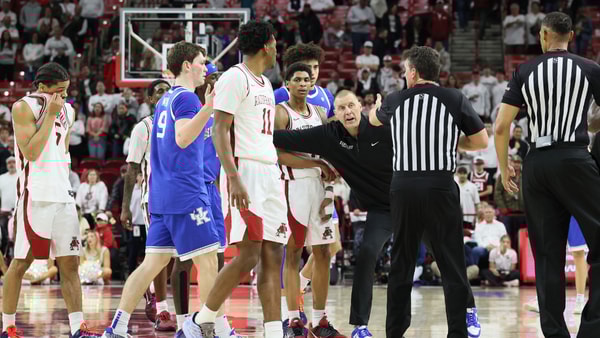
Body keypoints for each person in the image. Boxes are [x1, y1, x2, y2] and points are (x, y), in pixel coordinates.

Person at [101, 41, 220, 338]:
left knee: (151, 263)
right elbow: (182, 139)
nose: (205, 68)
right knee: (208, 261)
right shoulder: (188, 99)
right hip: (186, 194)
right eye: (201, 62)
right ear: (186, 66)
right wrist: (207, 108)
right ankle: (204, 329)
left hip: (161, 195)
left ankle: (117, 327)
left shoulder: (164, 100)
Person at [369, 46, 488, 338]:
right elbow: (482, 140)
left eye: (404, 71)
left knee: (403, 262)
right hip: (440, 186)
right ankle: (458, 331)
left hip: (404, 187)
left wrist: (375, 106)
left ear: (412, 72)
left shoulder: (395, 100)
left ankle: (395, 332)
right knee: (452, 263)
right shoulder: (455, 98)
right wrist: (453, 143)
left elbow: (372, 121)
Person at [495, 12, 600, 337]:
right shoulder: (590, 68)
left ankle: (555, 333)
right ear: (570, 36)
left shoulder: (525, 70)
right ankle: (592, 329)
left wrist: (503, 168)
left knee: (547, 256)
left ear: (543, 35)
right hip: (575, 159)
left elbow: (501, 126)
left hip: (537, 164)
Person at [192, 21, 287, 338]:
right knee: (248, 254)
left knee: (273, 254)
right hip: (244, 170)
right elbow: (220, 130)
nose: (277, 50)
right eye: (275, 43)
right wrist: (232, 177)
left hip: (270, 171)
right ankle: (204, 317)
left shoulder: (265, 84)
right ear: (267, 45)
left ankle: (274, 332)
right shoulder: (235, 77)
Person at [2, 62, 100, 338]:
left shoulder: (67, 109)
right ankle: (8, 327)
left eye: (67, 92)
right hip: (36, 195)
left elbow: (63, 152)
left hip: (62, 195)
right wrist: (50, 115)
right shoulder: (22, 107)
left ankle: (77, 328)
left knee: (70, 264)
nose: (64, 97)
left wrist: (58, 111)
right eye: (59, 91)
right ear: (42, 87)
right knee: (20, 263)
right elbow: (32, 152)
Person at [274, 63, 344, 337]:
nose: (303, 84)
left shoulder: (319, 113)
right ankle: (293, 320)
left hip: (321, 189)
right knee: (293, 252)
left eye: (307, 79)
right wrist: (316, 166)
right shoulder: (281, 113)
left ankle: (320, 321)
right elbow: (278, 155)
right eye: (298, 79)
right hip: (293, 187)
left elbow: (330, 149)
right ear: (287, 83)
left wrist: (336, 165)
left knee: (324, 252)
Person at [120, 78, 175, 331]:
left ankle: (154, 290)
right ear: (151, 99)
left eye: (169, 91)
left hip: (181, 196)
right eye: (160, 92)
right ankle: (162, 309)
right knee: (160, 256)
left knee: (178, 258)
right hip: (153, 197)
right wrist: (125, 208)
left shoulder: (183, 122)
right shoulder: (144, 127)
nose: (165, 95)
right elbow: (131, 170)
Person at [274, 43, 335, 118]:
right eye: (307, 67)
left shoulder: (326, 95)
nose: (312, 72)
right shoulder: (281, 94)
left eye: (315, 67)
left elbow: (332, 125)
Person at [0, 156, 16, 255]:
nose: (11, 164)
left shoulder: (21, 176)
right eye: (9, 163)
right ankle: (5, 257)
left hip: (18, 211)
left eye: (13, 162)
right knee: (4, 236)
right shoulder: (1, 178)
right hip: (4, 211)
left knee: (16, 236)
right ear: (6, 165)